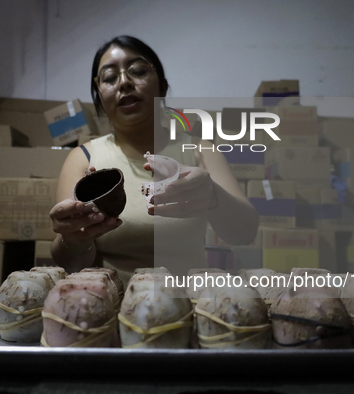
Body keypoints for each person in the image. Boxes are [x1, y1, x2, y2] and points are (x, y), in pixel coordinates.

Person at [49, 36, 258, 283]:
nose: (124, 82)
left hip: (186, 307)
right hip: (109, 309)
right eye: (109, 78)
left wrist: (212, 196)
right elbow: (71, 263)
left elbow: (245, 233)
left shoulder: (199, 150)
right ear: (99, 98)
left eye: (137, 71)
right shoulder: (83, 158)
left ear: (162, 87)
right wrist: (75, 238)